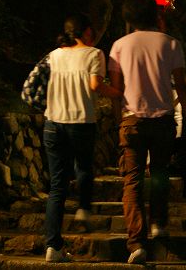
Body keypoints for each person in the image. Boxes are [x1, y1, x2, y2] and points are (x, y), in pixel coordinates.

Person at [108, 0, 186, 265]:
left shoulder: (119, 46)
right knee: (159, 172)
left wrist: (116, 120)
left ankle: (136, 242)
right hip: (163, 119)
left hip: (132, 120)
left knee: (131, 182)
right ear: (155, 16)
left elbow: (115, 91)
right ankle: (159, 223)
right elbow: (182, 86)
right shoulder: (170, 43)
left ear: (129, 18)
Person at [42, 14, 122, 263]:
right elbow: (96, 85)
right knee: (84, 168)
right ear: (87, 32)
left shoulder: (54, 55)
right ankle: (83, 209)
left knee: (57, 186)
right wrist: (118, 93)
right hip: (79, 122)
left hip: (52, 123)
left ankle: (53, 247)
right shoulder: (94, 53)